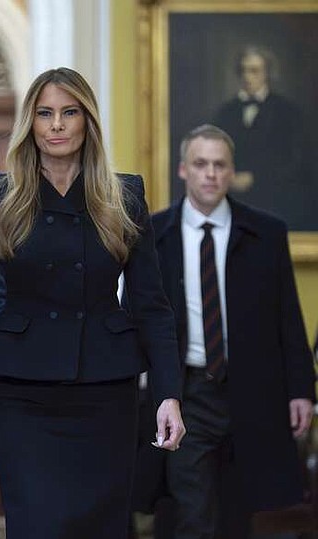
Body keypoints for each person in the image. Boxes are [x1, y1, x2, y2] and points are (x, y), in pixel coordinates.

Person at [0, 67, 186, 539]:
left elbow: (151, 306)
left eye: (69, 112)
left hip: (104, 391)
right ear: (31, 124)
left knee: (100, 526)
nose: (57, 124)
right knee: (36, 524)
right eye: (45, 113)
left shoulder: (124, 195)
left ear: (87, 122)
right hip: (21, 394)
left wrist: (168, 394)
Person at [149, 124, 315, 538]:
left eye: (220, 165)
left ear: (232, 171)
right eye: (201, 164)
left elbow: (287, 318)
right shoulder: (154, 234)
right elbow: (143, 313)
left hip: (252, 390)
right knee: (192, 510)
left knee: (241, 508)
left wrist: (302, 390)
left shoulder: (265, 233)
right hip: (186, 391)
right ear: (183, 170)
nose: (211, 174)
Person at [212, 45, 312, 230]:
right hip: (231, 202)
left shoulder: (287, 112)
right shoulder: (225, 113)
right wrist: (229, 177)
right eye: (243, 70)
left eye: (254, 71)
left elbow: (297, 160)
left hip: (276, 200)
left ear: (267, 73)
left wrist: (256, 178)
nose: (247, 77)